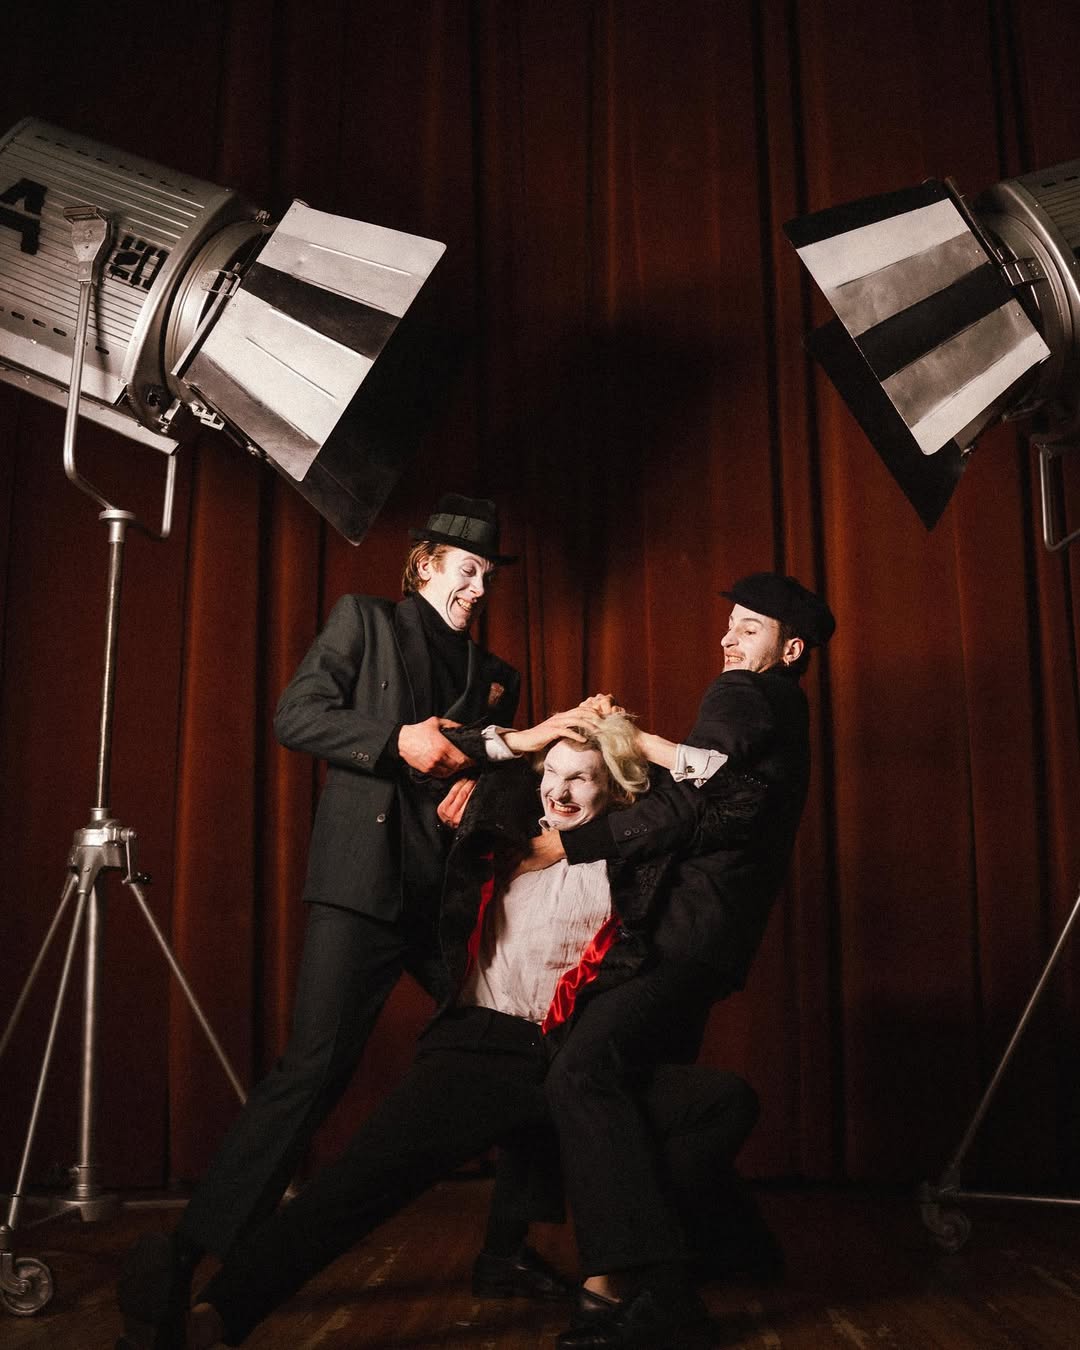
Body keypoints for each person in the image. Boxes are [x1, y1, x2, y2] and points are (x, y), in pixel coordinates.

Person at [139, 717, 770, 1348]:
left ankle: (643, 1282)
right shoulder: (498, 835)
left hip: (571, 1059)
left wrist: (643, 744)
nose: (559, 791)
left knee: (721, 1103)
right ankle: (216, 1315)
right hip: (481, 1050)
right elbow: (433, 757)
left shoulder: (639, 853)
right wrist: (524, 744)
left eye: (581, 778)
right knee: (355, 1186)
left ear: (616, 789)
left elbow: (742, 801)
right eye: (551, 774)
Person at [117, 493, 526, 1350]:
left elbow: (506, 773)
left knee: (515, 1042)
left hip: (447, 902)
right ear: (426, 564)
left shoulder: (498, 674)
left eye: (489, 576)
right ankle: (186, 1255)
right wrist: (395, 741)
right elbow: (295, 716)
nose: (479, 589)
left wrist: (482, 784)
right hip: (362, 884)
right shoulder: (364, 622)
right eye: (467, 570)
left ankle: (508, 1249)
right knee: (314, 1071)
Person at [531, 572, 836, 1349]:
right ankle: (724, 1245)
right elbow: (712, 791)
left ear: (790, 649)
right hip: (714, 940)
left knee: (580, 1075)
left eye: (750, 628)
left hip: (683, 936)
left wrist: (569, 844)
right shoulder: (786, 710)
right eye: (730, 624)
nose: (729, 638)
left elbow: (695, 797)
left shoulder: (745, 693)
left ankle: (644, 1290)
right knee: (654, 1094)